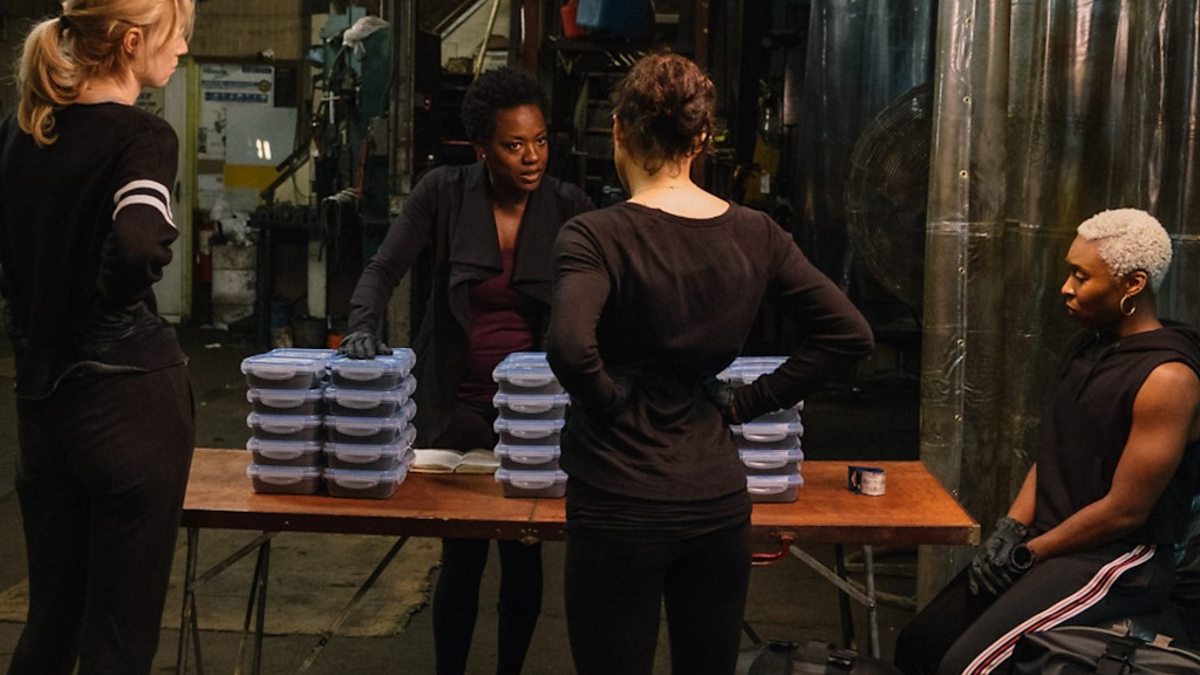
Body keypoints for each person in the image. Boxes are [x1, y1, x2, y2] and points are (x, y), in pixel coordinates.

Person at [545, 52, 875, 675]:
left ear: (618, 129)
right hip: (716, 504)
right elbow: (849, 334)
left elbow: (568, 346)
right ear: (701, 139)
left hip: (618, 503)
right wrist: (748, 402)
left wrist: (611, 405)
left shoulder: (593, 235)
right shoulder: (756, 233)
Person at [340, 65, 593, 675]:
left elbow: (610, 295)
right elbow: (383, 269)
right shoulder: (445, 193)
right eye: (514, 144)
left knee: (525, 552)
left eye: (540, 141)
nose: (531, 157)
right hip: (455, 405)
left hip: (533, 414)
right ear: (482, 147)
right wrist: (361, 326)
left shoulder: (568, 205)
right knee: (462, 556)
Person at [894, 208, 1200, 675]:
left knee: (966, 666)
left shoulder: (1167, 378)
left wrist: (1031, 553)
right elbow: (1055, 453)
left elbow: (1125, 511)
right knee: (921, 644)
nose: (1066, 288)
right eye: (1069, 272)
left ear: (1133, 284)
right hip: (1054, 540)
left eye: (1081, 276)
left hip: (1119, 558)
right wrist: (1011, 529)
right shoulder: (1088, 347)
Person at [0, 1, 195, 673]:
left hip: (42, 411)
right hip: (127, 404)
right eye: (177, 33)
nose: (183, 48)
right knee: (117, 645)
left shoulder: (20, 134)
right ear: (133, 40)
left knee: (49, 629)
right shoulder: (143, 136)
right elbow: (138, 242)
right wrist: (111, 308)